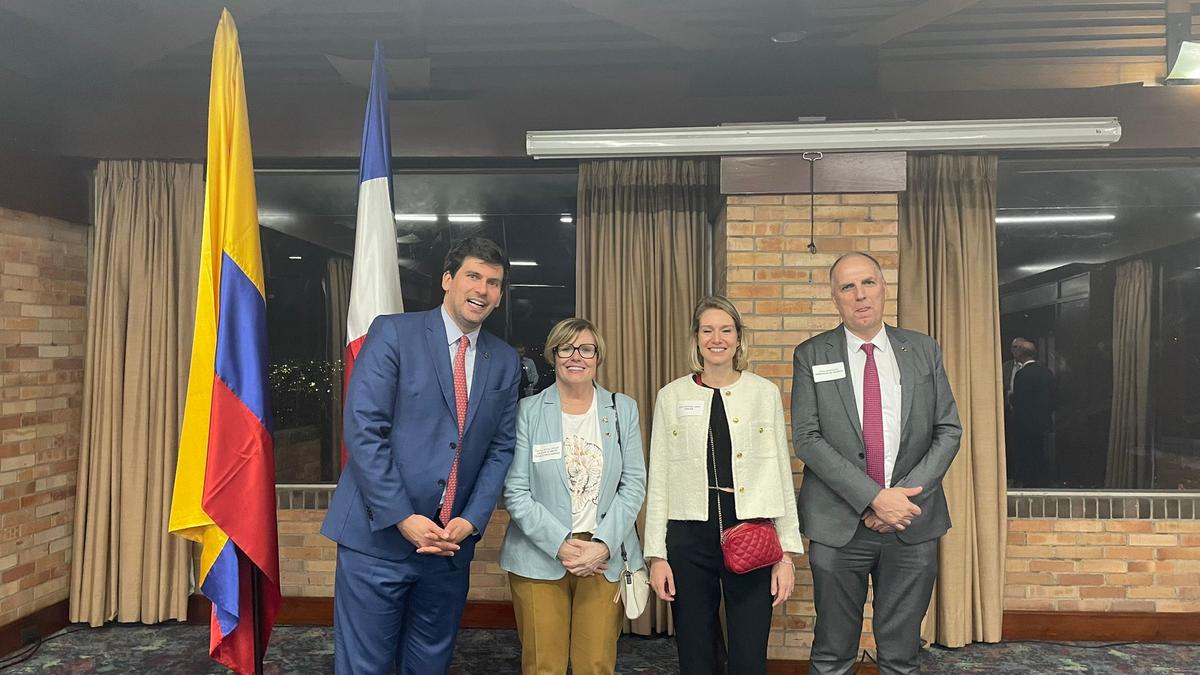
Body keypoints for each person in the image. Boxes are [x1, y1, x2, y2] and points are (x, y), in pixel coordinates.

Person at [321, 237, 521, 675]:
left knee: (430, 664)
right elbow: (365, 430)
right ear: (448, 280)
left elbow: (501, 448)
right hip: (377, 541)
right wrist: (401, 517)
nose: (483, 290)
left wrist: (471, 520)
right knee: (365, 668)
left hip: (449, 547)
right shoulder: (394, 333)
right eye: (473, 276)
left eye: (493, 283)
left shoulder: (505, 361)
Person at [791, 252, 962, 674]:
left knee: (902, 656)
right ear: (835, 297)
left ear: (884, 288)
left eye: (868, 282)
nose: (860, 295)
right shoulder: (811, 355)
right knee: (832, 654)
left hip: (911, 522)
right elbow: (808, 439)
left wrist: (899, 501)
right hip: (838, 526)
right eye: (847, 287)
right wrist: (874, 498)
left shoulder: (922, 349)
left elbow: (947, 430)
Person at [645, 295, 803, 675]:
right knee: (695, 653)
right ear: (696, 339)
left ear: (738, 338)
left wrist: (786, 556)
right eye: (707, 330)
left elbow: (780, 473)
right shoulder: (671, 396)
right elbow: (659, 479)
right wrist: (656, 555)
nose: (717, 339)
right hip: (688, 538)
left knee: (749, 655)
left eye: (726, 330)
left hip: (751, 533)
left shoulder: (763, 393)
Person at [500, 318, 646, 675]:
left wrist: (603, 545)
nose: (576, 356)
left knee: (595, 664)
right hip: (538, 554)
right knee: (543, 665)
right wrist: (560, 545)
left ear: (598, 357)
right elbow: (515, 491)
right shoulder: (528, 411)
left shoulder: (622, 409)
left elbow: (633, 484)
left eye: (586, 349)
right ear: (554, 355)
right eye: (566, 348)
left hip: (602, 555)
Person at [1008, 338, 1054, 487]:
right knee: (1039, 452)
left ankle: (1028, 482)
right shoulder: (1047, 372)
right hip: (1042, 423)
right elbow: (1053, 398)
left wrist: (1011, 397)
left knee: (1026, 454)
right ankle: (1041, 481)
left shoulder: (1022, 374)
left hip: (1024, 424)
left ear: (1022, 353)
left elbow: (1019, 400)